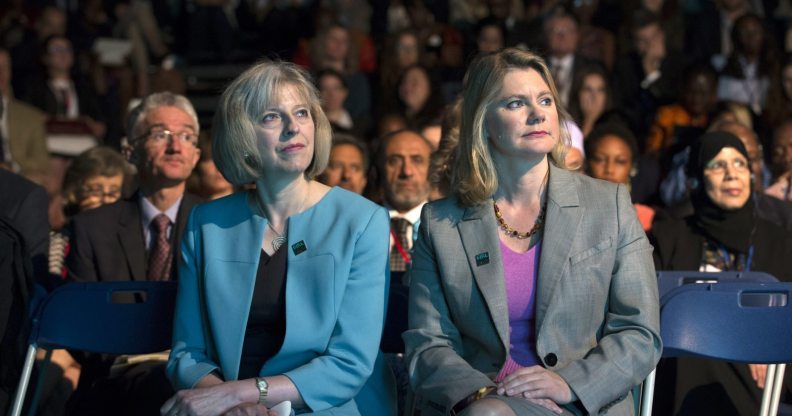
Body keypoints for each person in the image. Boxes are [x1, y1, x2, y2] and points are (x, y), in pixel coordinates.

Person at [403, 48, 661, 416]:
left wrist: (569, 383)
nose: (538, 113)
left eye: (545, 100)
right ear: (484, 122)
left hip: (581, 402)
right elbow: (429, 344)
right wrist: (482, 394)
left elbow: (640, 333)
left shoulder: (610, 205)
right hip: (480, 398)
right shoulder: (440, 223)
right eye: (515, 103)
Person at [162, 60, 396, 415]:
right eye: (272, 117)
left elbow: (349, 364)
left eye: (302, 113)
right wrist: (230, 403)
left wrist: (242, 395)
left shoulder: (363, 220)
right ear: (242, 135)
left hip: (329, 406)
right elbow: (187, 354)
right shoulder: (206, 224)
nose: (293, 128)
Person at [64, 92, 203, 415]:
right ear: (130, 151)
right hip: (111, 381)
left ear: (196, 154)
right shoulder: (92, 227)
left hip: (198, 381)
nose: (175, 146)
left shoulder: (221, 225)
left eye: (186, 136)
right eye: (160, 135)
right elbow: (81, 326)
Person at [650, 131, 792, 415]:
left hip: (763, 374)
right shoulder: (669, 237)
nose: (731, 174)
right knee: (693, 345)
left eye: (740, 164)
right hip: (683, 369)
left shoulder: (781, 241)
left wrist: (766, 349)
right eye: (717, 165)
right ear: (697, 177)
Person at [376, 129, 432, 275]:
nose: (406, 171)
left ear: (432, 168)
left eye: (417, 160)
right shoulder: (360, 224)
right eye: (394, 160)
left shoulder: (448, 227)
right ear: (380, 168)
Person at [584, 123, 656, 231]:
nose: (609, 169)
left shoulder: (645, 219)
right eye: (600, 159)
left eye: (620, 161)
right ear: (588, 163)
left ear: (632, 166)